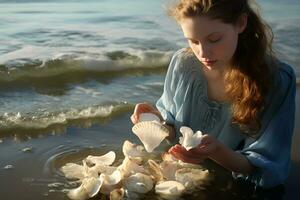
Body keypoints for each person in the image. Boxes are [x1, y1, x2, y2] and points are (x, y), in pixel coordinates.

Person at [130, 0, 296, 189]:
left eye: (214, 39)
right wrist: (156, 122)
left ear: (241, 23)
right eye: (193, 41)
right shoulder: (183, 64)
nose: (203, 52)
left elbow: (267, 169)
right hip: (186, 177)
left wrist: (216, 151)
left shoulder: (276, 80)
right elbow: (174, 130)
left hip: (233, 187)